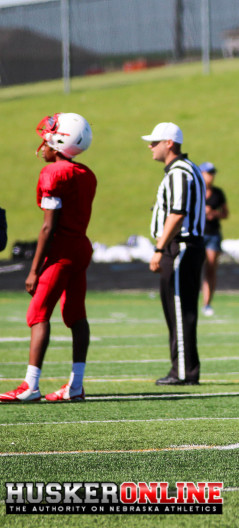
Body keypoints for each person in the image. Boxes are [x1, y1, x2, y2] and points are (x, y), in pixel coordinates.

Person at [0, 113, 95, 402]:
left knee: (38, 314)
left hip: (62, 251)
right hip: (81, 248)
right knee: (76, 315)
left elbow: (48, 226)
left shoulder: (55, 173)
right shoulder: (86, 173)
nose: (43, 142)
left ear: (61, 140)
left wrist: (34, 269)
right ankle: (76, 384)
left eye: (48, 136)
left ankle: (30, 385)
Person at [142, 122, 206, 386]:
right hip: (180, 246)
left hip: (180, 246)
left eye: (155, 142)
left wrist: (159, 248)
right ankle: (183, 368)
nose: (150, 146)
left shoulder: (180, 172)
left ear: (169, 143)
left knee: (179, 309)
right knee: (178, 309)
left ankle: (183, 371)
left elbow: (178, 213)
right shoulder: (186, 170)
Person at [199, 162, 228, 317]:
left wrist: (213, 213)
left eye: (212, 173)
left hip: (213, 234)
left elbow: (225, 213)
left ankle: (207, 303)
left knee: (210, 269)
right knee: (194, 267)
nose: (211, 176)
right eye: (208, 173)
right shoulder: (194, 191)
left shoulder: (218, 193)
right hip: (197, 234)